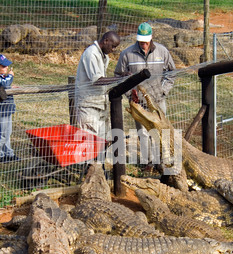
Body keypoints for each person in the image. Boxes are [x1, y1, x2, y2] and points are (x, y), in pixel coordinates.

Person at [114, 22, 176, 168]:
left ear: (151, 38)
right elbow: (119, 76)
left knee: (162, 131)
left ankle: (163, 161)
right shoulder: (127, 54)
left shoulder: (162, 51)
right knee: (143, 133)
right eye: (141, 41)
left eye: (146, 41)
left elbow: (171, 73)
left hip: (158, 100)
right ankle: (148, 162)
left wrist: (163, 90)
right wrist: (130, 94)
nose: (144, 44)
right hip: (139, 102)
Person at [74, 31, 121, 145]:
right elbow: (97, 80)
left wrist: (122, 76)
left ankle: (98, 162)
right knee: (89, 140)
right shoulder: (91, 53)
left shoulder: (104, 56)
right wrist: (119, 79)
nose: (113, 50)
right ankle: (89, 163)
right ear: (105, 41)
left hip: (100, 103)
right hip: (88, 104)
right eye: (113, 46)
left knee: (102, 140)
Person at [0, 54, 18, 163]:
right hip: (0, 109)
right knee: (0, 132)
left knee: (7, 132)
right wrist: (11, 76)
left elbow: (6, 85)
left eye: (7, 66)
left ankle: (8, 152)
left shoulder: (4, 77)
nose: (6, 68)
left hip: (7, 108)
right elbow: (4, 84)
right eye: (3, 66)